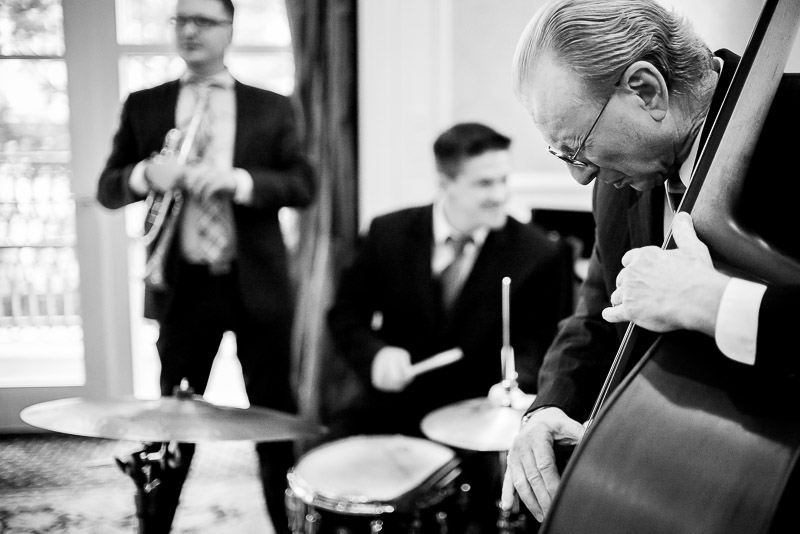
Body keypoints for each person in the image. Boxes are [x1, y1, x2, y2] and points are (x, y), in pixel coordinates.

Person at [500, 0, 800, 526]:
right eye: (564, 156)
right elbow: (595, 314)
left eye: (578, 149)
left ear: (647, 90)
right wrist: (548, 409)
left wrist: (714, 301)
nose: (580, 178)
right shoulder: (621, 184)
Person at [95, 0, 315, 532]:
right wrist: (147, 174)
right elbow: (107, 187)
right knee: (173, 420)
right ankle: (157, 523)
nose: (189, 31)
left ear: (230, 28)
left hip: (258, 287)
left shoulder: (272, 106)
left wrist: (238, 181)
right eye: (180, 20)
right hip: (182, 288)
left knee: (273, 421)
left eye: (203, 21)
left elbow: (303, 186)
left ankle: (285, 526)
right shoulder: (145, 105)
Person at [327, 122, 573, 532]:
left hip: (478, 415)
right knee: (327, 467)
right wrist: (375, 356)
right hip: (393, 408)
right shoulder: (388, 232)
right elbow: (345, 314)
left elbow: (545, 342)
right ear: (446, 182)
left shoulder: (539, 254)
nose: (500, 195)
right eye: (483, 183)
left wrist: (516, 377)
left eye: (503, 180)